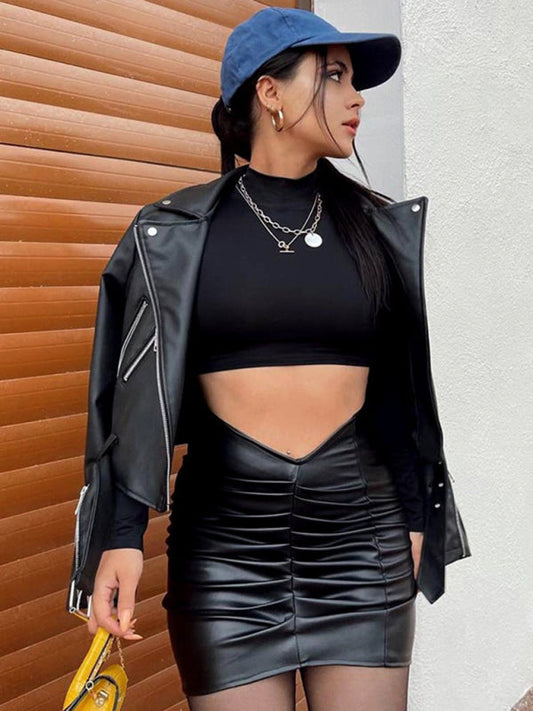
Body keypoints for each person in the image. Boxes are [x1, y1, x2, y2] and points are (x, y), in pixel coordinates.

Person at [71, 7, 471, 711]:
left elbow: (396, 396)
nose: (357, 98)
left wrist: (414, 518)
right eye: (335, 75)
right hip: (225, 553)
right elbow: (131, 401)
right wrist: (121, 536)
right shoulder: (172, 233)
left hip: (359, 542)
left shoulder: (375, 229)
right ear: (270, 93)